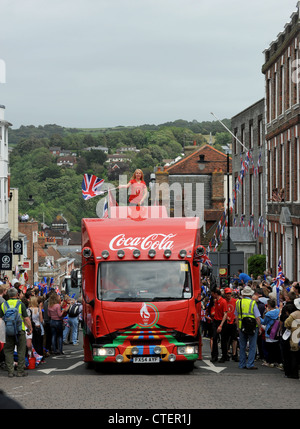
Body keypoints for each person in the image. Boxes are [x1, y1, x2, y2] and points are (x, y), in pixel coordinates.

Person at [0, 287, 32, 377]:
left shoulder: (3, 305)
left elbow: (0, 319)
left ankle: (10, 371)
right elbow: (26, 318)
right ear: (17, 295)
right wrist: (30, 327)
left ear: (8, 295)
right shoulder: (20, 304)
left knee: (8, 351)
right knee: (21, 350)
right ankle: (20, 371)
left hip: (8, 331)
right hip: (19, 330)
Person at [235, 285, 262, 370]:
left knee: (242, 346)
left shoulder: (238, 302)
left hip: (242, 326)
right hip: (253, 326)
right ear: (251, 295)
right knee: (252, 346)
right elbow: (257, 317)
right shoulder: (253, 303)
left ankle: (242, 364)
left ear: (243, 294)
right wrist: (260, 327)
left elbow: (236, 317)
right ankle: (250, 364)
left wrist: (238, 327)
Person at [210, 288, 228, 363]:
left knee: (223, 340)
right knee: (214, 338)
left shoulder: (223, 301)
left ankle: (224, 356)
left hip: (221, 322)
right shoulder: (216, 301)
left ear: (215, 294)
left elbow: (225, 314)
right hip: (216, 321)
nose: (211, 295)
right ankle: (215, 356)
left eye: (212, 294)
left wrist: (221, 325)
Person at [284, 297, 300, 379]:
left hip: (295, 336)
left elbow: (287, 324)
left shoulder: (294, 315)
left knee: (294, 356)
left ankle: (294, 373)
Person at [223, 288, 238, 361]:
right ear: (225, 294)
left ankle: (234, 354)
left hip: (233, 322)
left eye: (229, 293)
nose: (228, 295)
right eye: (227, 293)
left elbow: (237, 311)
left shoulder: (235, 301)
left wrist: (236, 318)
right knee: (225, 339)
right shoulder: (223, 301)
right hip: (226, 323)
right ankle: (226, 354)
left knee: (234, 339)